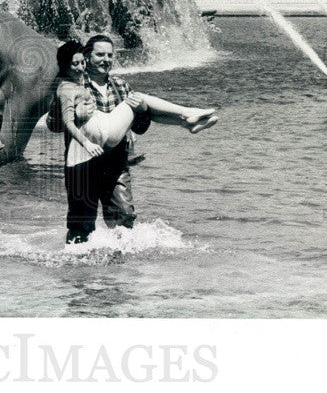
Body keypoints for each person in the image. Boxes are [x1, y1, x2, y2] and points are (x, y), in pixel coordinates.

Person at [50, 36, 218, 244]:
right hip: (83, 163)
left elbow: (140, 126)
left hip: (116, 161)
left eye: (110, 55)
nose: (106, 59)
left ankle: (120, 273)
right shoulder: (73, 82)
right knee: (80, 224)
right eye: (100, 54)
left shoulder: (120, 85)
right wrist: (75, 113)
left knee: (124, 219)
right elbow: (54, 125)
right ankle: (77, 273)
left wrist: (143, 110)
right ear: (87, 56)